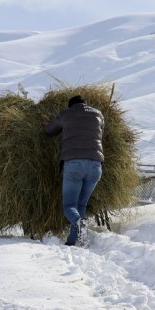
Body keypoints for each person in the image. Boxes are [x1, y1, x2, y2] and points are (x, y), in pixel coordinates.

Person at [44, 95, 105, 246]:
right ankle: (75, 240)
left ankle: (79, 224)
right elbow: (100, 132)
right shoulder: (98, 114)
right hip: (96, 165)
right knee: (81, 205)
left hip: (74, 164)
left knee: (69, 205)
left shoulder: (66, 114)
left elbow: (49, 131)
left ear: (71, 105)